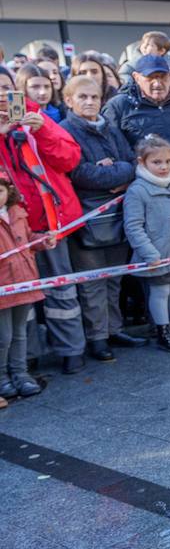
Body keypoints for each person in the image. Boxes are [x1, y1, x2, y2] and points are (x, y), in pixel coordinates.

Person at [3, 66, 87, 372]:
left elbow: (70, 158)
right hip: (9, 234)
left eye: (5, 87)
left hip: (49, 224)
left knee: (62, 291)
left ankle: (71, 351)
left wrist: (44, 129)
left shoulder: (35, 116)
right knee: (18, 299)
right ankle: (24, 361)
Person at [61, 75, 144, 361]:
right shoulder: (65, 131)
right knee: (92, 283)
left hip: (116, 214)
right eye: (82, 97)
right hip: (87, 219)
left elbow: (132, 164)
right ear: (68, 101)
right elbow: (80, 173)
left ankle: (114, 329)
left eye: (94, 97)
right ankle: (97, 337)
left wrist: (113, 171)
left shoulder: (109, 128)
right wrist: (111, 175)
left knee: (114, 279)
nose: (89, 102)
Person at [124, 134, 170, 351]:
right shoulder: (138, 190)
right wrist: (150, 254)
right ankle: (163, 329)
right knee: (161, 292)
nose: (164, 166)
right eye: (156, 162)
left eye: (167, 161)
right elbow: (133, 226)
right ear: (142, 162)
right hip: (156, 256)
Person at [0, 171, 49, 402]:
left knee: (20, 333)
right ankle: (2, 377)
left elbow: (28, 239)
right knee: (3, 336)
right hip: (2, 286)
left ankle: (20, 373)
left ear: (8, 192)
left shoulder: (18, 213)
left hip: (23, 282)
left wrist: (42, 241)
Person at [103, 55, 170, 168]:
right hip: (141, 180)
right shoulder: (118, 106)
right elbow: (112, 149)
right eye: (150, 77)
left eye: (163, 77)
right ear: (136, 78)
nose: (157, 83)